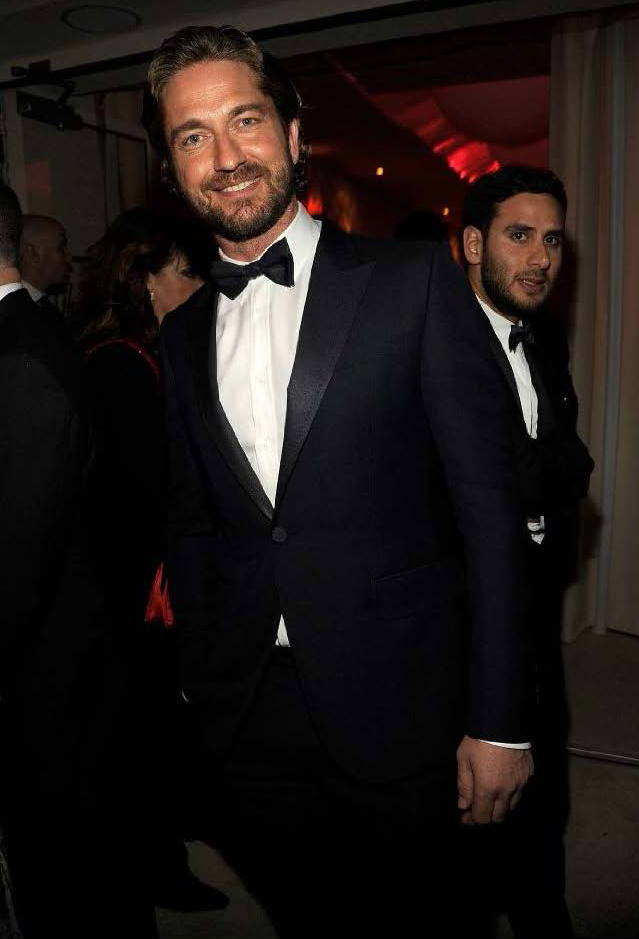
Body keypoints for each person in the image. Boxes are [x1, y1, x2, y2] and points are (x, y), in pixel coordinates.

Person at [146, 25, 535, 938]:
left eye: (245, 120)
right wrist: (202, 673)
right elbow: (194, 519)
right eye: (193, 135)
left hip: (400, 702)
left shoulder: (414, 284)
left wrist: (500, 720)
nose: (225, 156)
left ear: (291, 133)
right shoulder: (181, 332)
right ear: (171, 168)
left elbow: (491, 516)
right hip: (249, 713)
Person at [0, 184, 156, 938]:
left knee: (65, 867)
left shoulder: (21, 354)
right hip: (58, 653)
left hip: (44, 667)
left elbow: (16, 558)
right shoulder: (29, 329)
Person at [77, 206, 227, 912]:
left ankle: (175, 835)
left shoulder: (148, 353)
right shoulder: (118, 364)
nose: (199, 287)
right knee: (147, 732)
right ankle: (158, 868)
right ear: (144, 280)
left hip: (145, 582)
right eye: (186, 273)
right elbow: (142, 493)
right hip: (133, 591)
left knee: (163, 726)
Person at [462, 165, 594, 937]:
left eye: (551, 239)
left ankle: (544, 913)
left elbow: (568, 465)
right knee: (472, 810)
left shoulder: (540, 335)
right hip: (464, 618)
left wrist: (541, 481)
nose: (540, 257)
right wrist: (541, 477)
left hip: (535, 598)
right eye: (519, 235)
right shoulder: (435, 346)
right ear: (472, 243)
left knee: (546, 782)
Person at [19, 213, 72, 322]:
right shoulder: (17, 314)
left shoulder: (43, 308)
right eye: (61, 248)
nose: (69, 258)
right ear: (34, 253)